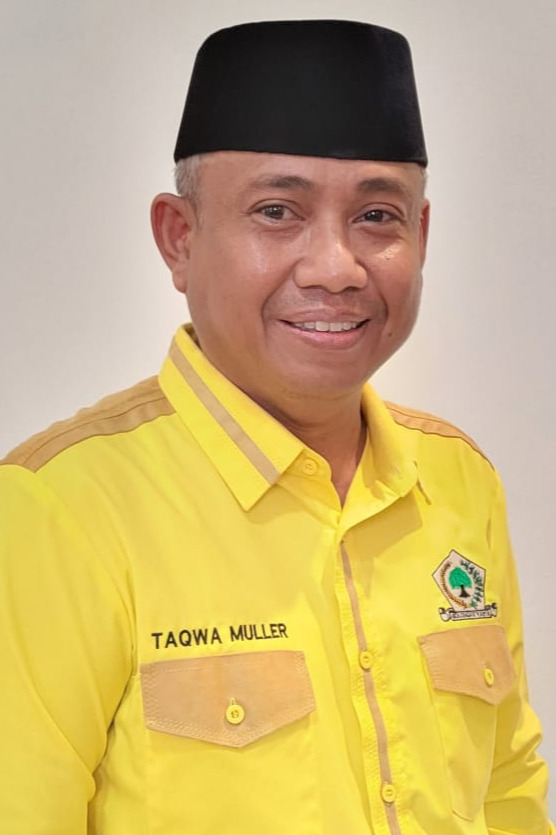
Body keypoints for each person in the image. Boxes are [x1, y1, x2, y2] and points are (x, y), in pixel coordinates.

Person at [0, 19, 552, 835]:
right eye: (276, 211)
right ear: (179, 238)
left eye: (377, 215)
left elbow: (509, 789)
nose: (335, 267)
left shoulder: (458, 479)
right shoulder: (58, 510)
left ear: (422, 235)